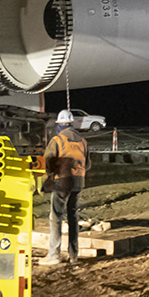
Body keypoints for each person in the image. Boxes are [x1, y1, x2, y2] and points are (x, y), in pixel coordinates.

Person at [41, 109, 90, 266]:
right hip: (79, 181)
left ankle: (54, 255)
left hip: (63, 181)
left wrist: (49, 178)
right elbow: (87, 164)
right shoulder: (82, 141)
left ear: (60, 124)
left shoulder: (57, 140)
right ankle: (73, 255)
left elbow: (48, 163)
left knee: (56, 217)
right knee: (73, 217)